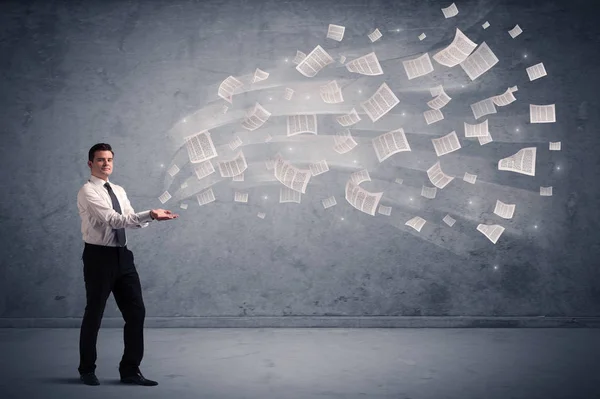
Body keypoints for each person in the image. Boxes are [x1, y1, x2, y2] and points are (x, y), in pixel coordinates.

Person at [76, 143, 179, 386]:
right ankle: (87, 369)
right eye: (100, 160)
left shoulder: (119, 190)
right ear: (90, 163)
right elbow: (114, 220)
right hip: (98, 257)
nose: (106, 163)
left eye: (109, 159)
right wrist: (150, 215)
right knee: (95, 314)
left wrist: (150, 218)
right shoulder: (88, 191)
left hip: (123, 256)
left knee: (136, 313)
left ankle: (130, 371)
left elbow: (130, 221)